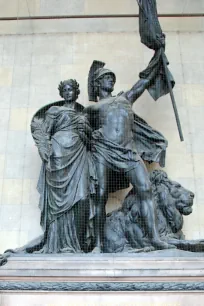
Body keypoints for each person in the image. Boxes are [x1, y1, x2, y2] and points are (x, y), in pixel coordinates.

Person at [84, 59, 173, 253]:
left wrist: (158, 58)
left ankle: (154, 238)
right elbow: (82, 133)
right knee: (99, 195)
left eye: (111, 77)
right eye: (106, 77)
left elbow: (143, 82)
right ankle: (98, 245)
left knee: (146, 189)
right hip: (103, 151)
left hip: (128, 152)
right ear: (98, 84)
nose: (110, 80)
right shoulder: (91, 110)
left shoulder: (125, 98)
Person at [30, 79, 97, 253]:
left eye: (71, 89)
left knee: (82, 197)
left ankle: (79, 244)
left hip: (80, 155)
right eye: (65, 90)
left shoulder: (85, 115)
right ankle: (57, 244)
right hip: (58, 155)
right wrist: (44, 150)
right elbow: (43, 132)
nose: (68, 92)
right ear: (62, 93)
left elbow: (93, 144)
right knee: (58, 203)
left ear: (77, 92)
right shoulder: (54, 111)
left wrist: (86, 134)